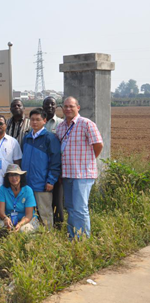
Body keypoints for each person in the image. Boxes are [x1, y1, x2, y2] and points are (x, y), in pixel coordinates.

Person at [56, 97, 103, 239]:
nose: (68, 109)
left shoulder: (86, 124)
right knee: (70, 208)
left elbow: (98, 145)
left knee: (80, 208)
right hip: (67, 174)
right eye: (65, 106)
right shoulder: (61, 126)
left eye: (71, 106)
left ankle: (83, 239)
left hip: (82, 174)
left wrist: (88, 160)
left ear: (78, 107)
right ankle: (72, 237)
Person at [21, 108, 61, 229]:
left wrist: (51, 180)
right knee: (29, 212)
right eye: (32, 119)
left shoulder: (50, 138)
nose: (34, 122)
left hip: (42, 183)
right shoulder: (27, 138)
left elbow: (55, 162)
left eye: (38, 119)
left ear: (44, 121)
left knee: (45, 212)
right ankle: (32, 237)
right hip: (27, 183)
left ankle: (48, 237)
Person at [0, 164, 39, 233]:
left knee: (23, 230)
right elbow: (0, 211)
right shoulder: (3, 189)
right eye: (11, 175)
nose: (14, 178)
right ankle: (3, 238)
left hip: (27, 221)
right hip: (9, 221)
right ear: (7, 178)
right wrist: (5, 218)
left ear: (21, 176)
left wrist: (20, 224)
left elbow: (29, 215)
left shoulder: (28, 190)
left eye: (16, 174)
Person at [43, 96, 65, 227]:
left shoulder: (61, 124)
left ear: (56, 106)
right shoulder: (40, 122)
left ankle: (58, 226)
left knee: (57, 199)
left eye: (52, 104)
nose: (50, 107)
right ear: (43, 106)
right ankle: (45, 225)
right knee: (44, 198)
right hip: (41, 167)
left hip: (56, 166)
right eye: (47, 105)